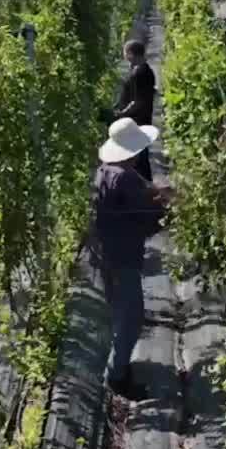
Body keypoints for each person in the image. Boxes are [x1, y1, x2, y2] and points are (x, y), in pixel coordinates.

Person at [92, 117, 167, 400]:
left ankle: (119, 363)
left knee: (121, 313)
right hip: (121, 255)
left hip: (106, 252)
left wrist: (158, 192)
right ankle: (116, 376)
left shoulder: (108, 171)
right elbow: (147, 217)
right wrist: (168, 210)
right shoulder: (124, 177)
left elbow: (142, 189)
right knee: (132, 318)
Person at [106, 39, 157, 182]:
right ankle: (144, 191)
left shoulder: (141, 73)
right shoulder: (141, 71)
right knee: (138, 158)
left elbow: (138, 101)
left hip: (137, 122)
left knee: (138, 159)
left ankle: (144, 192)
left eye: (125, 53)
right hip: (138, 121)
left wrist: (122, 114)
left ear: (130, 53)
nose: (125, 57)